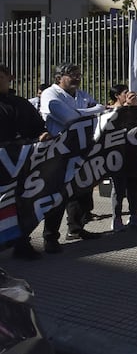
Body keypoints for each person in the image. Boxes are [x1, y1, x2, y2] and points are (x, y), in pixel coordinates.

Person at [40, 63, 106, 251]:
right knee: (58, 196)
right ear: (59, 78)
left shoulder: (82, 94)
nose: (77, 78)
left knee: (81, 191)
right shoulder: (50, 94)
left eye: (78, 75)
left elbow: (99, 110)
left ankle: (76, 229)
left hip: (82, 148)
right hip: (59, 152)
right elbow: (68, 118)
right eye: (72, 75)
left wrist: (83, 112)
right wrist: (91, 111)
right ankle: (50, 237)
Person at [0, 64, 51, 259]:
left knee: (22, 204)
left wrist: (42, 135)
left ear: (9, 78)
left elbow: (38, 127)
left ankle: (22, 243)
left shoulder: (21, 103)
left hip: (22, 164)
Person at [105, 84, 137, 232]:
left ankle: (134, 215)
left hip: (133, 152)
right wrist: (126, 107)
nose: (129, 95)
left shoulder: (133, 109)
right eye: (125, 93)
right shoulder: (110, 110)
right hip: (117, 154)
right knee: (119, 188)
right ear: (117, 96)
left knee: (133, 186)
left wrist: (134, 106)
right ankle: (117, 218)